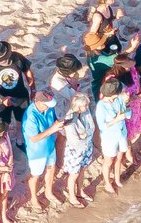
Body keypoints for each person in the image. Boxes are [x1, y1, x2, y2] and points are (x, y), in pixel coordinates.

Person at [21, 84, 63, 212]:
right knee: (35, 175)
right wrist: (52, 129)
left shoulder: (48, 109)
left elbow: (53, 121)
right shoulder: (30, 117)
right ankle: (33, 198)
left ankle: (48, 192)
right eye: (47, 105)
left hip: (50, 146)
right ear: (38, 102)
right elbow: (33, 138)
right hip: (37, 152)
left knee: (51, 169)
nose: (49, 107)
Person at [94, 74, 132, 194]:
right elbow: (102, 126)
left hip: (121, 133)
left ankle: (117, 178)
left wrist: (127, 104)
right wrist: (116, 119)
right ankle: (107, 182)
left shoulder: (119, 99)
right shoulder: (101, 106)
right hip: (109, 137)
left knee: (119, 157)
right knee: (109, 161)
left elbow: (128, 112)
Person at [60, 91, 97, 208]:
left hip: (87, 147)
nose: (87, 107)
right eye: (85, 105)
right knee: (74, 174)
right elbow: (74, 140)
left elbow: (92, 127)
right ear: (77, 106)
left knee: (82, 170)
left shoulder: (86, 113)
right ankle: (72, 197)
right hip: (75, 151)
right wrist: (84, 135)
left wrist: (84, 135)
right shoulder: (69, 118)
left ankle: (80, 191)